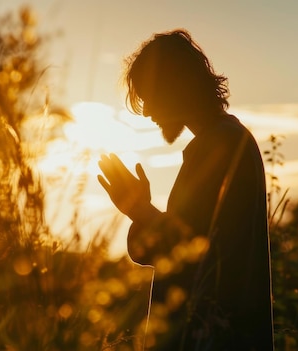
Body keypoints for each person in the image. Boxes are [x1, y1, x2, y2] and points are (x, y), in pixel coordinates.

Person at [98, 29, 274, 350]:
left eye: (150, 97)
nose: (148, 112)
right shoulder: (222, 141)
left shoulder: (219, 146)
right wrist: (141, 211)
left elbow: (187, 253)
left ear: (174, 86)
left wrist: (140, 211)